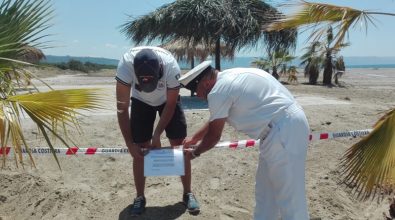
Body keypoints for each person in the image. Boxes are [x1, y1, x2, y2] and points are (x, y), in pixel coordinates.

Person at [179, 61, 310, 220]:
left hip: (282, 131)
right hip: (280, 129)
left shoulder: (218, 92)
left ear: (206, 83)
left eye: (195, 90)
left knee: (291, 200)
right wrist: (194, 138)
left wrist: (194, 153)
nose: (197, 96)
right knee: (265, 193)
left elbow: (214, 136)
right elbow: (217, 118)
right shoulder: (229, 78)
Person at [115, 46, 200, 216]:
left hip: (167, 100)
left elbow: (170, 104)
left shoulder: (171, 66)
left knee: (179, 145)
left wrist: (157, 134)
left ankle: (187, 193)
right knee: (140, 149)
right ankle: (139, 197)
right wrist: (129, 144)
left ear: (160, 69)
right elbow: (122, 108)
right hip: (140, 101)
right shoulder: (125, 65)